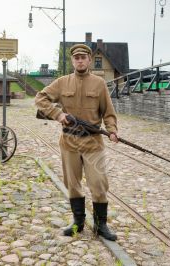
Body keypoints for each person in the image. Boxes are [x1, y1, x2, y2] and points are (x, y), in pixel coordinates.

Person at [35, 44, 118, 241]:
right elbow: (40, 98)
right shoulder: (62, 82)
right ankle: (78, 222)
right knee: (72, 184)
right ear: (72, 61)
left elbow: (108, 112)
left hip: (93, 142)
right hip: (69, 142)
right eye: (76, 58)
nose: (80, 60)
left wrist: (112, 130)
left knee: (98, 183)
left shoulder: (99, 84)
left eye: (83, 57)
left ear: (89, 60)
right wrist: (58, 114)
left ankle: (101, 225)